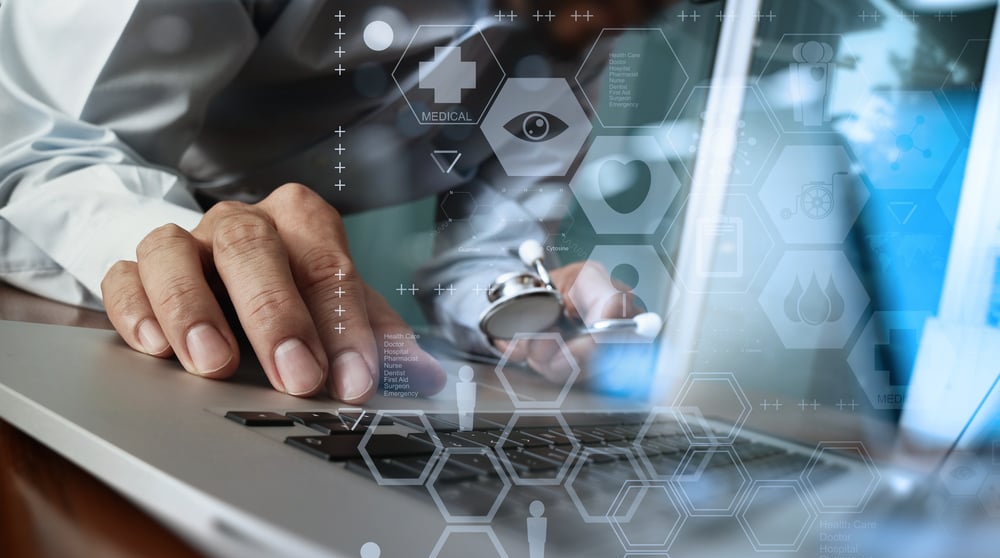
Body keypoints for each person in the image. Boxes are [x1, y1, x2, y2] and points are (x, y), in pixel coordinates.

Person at [0, 0, 684, 403]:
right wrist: (187, 241)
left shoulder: (581, 29)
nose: (601, 24)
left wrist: (524, 302)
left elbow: (485, 251)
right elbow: (44, 144)